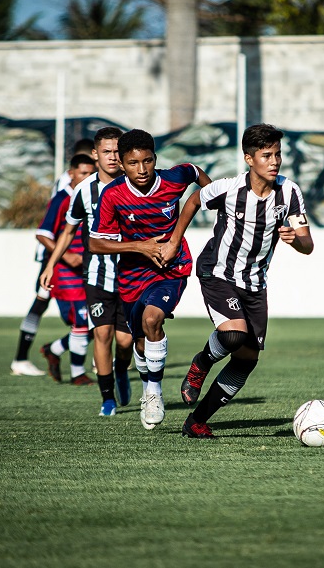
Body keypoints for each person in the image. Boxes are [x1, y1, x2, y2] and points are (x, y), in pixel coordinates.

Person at [165, 123, 314, 439]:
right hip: (217, 273)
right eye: (266, 155)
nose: (274, 162)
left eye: (277, 154)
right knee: (233, 336)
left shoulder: (289, 192)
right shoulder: (229, 189)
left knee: (246, 359)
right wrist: (175, 241)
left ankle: (197, 421)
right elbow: (192, 201)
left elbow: (307, 244)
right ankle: (200, 365)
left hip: (255, 284)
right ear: (249, 159)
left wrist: (294, 240)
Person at [89, 130, 211, 429]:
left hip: (172, 268)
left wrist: (217, 203)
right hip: (131, 276)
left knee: (153, 319)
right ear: (121, 162)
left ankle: (154, 392)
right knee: (140, 343)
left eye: (147, 161)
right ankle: (148, 384)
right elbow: (95, 243)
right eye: (133, 163)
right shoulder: (112, 194)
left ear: (155, 159)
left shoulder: (173, 178)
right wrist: (140, 246)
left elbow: (195, 173)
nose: (141, 170)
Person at [40, 127, 135, 416]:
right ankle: (107, 398)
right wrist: (51, 264)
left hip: (131, 276)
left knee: (125, 341)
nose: (113, 157)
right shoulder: (84, 190)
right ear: (95, 155)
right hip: (96, 275)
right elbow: (68, 231)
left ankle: (121, 371)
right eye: (106, 151)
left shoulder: (136, 185)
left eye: (118, 152)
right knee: (102, 334)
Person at [10, 138, 95, 376]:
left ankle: (50, 351)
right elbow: (49, 228)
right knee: (45, 305)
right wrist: (62, 256)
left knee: (79, 315)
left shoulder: (83, 181)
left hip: (61, 256)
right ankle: (22, 357)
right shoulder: (67, 188)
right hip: (55, 258)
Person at [37, 153, 96, 386]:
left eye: (91, 173)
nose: (87, 177)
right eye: (83, 173)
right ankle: (77, 373)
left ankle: (53, 349)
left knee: (99, 322)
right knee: (81, 320)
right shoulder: (63, 198)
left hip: (89, 269)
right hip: (65, 272)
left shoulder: (94, 195)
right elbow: (43, 233)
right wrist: (67, 255)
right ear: (71, 174)